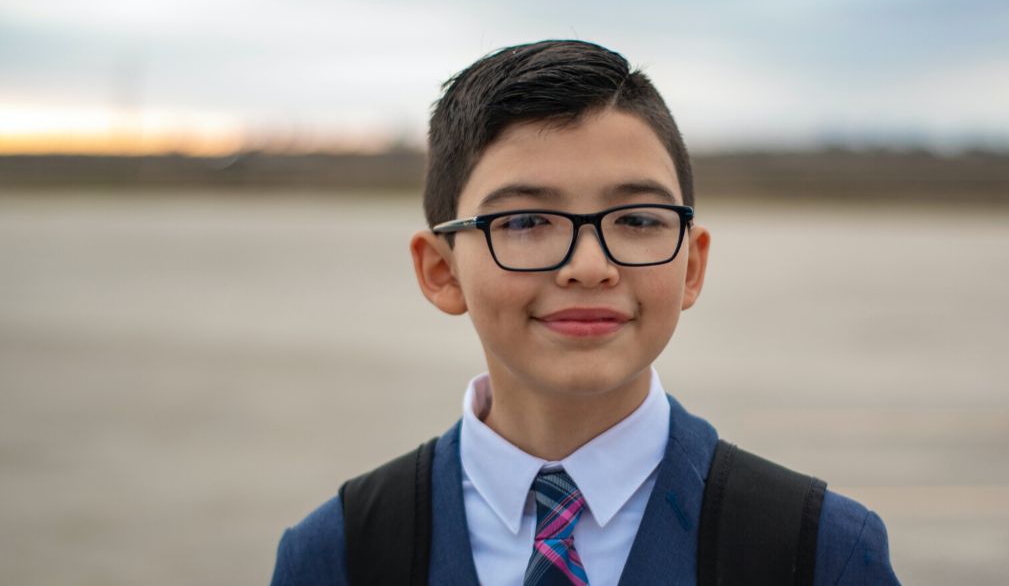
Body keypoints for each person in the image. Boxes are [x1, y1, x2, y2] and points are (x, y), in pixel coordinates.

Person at [270, 39, 899, 585]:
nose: (590, 265)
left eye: (638, 219)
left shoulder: (817, 552)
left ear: (692, 264)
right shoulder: (341, 554)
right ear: (442, 271)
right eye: (523, 221)